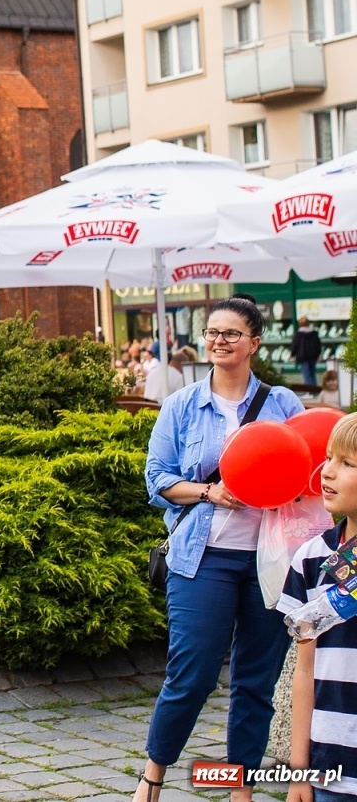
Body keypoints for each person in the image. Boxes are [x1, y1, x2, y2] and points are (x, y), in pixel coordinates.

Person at [137, 296, 304, 802]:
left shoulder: (283, 406)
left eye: (231, 333)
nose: (219, 341)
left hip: (268, 559)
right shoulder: (182, 405)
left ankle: (240, 788)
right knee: (192, 675)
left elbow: (305, 475)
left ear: (254, 342)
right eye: (212, 332)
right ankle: (153, 775)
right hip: (201, 557)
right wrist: (211, 491)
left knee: (256, 680)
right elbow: (156, 480)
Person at [281, 413, 357, 802]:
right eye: (329, 458)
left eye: (347, 463)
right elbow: (304, 670)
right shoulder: (310, 559)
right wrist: (300, 772)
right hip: (332, 764)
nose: (326, 472)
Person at [293, 316, 324, 387]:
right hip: (313, 356)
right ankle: (314, 389)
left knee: (306, 374)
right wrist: (318, 354)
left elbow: (295, 345)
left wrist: (292, 354)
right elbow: (318, 345)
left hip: (302, 357)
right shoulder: (314, 333)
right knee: (312, 374)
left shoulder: (298, 335)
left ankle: (309, 390)